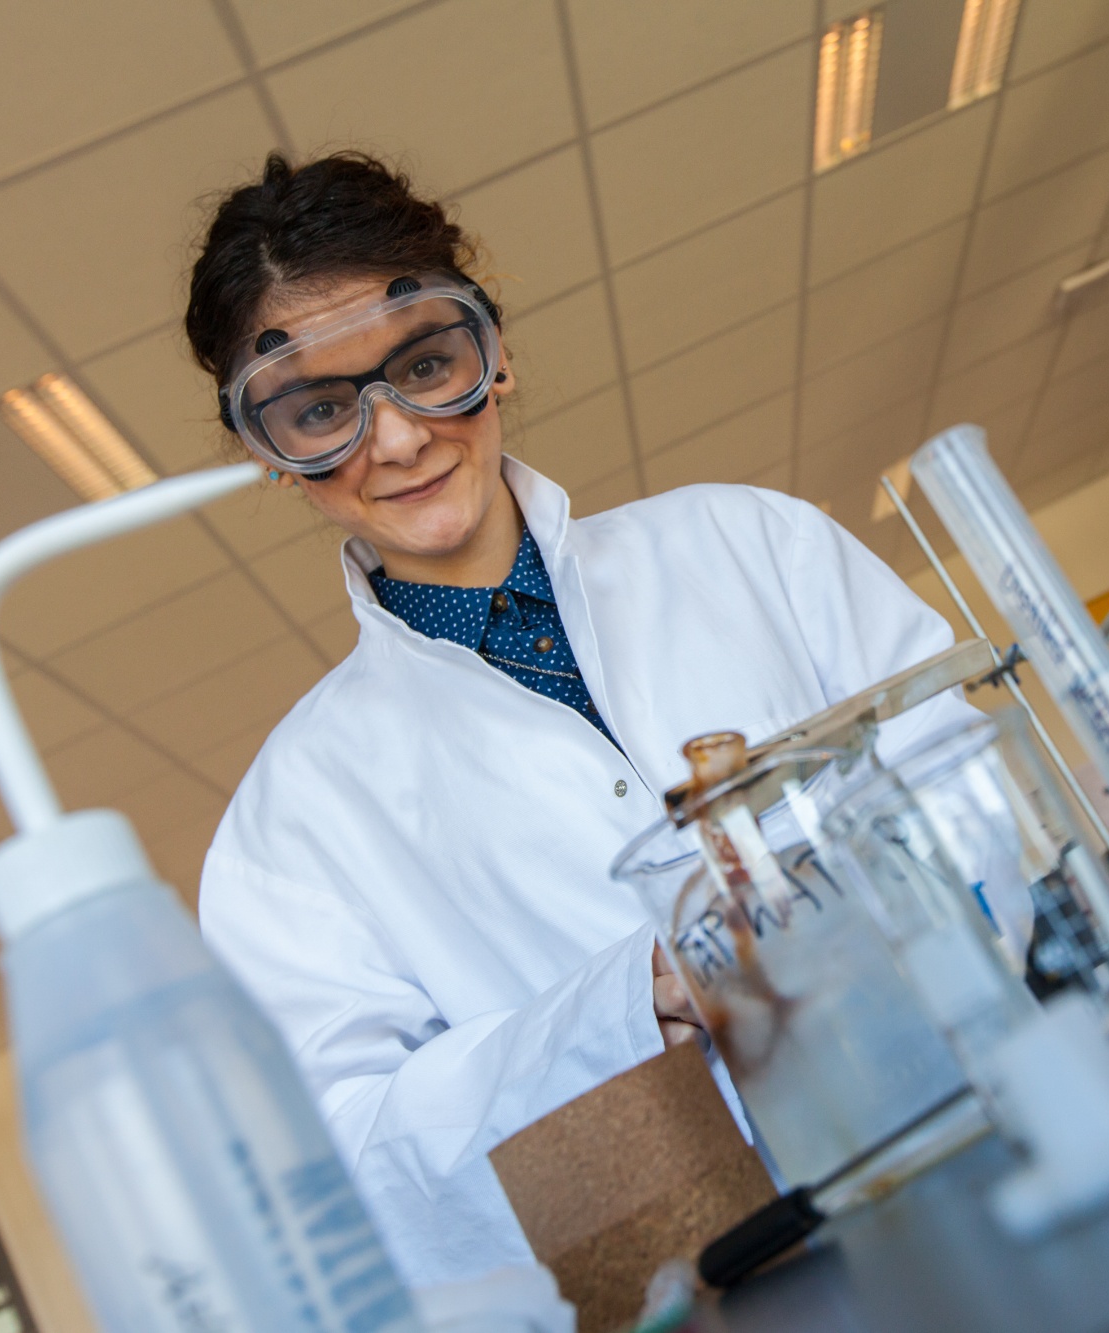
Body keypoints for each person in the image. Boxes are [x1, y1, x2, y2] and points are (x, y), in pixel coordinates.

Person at [185, 153, 975, 1286]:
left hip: (990, 1112)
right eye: (321, 410)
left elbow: (968, 779)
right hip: (717, 1284)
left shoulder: (751, 544)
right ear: (273, 457)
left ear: (494, 355)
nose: (399, 437)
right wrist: (612, 1011)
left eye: (424, 363)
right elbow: (342, 1163)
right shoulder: (287, 825)